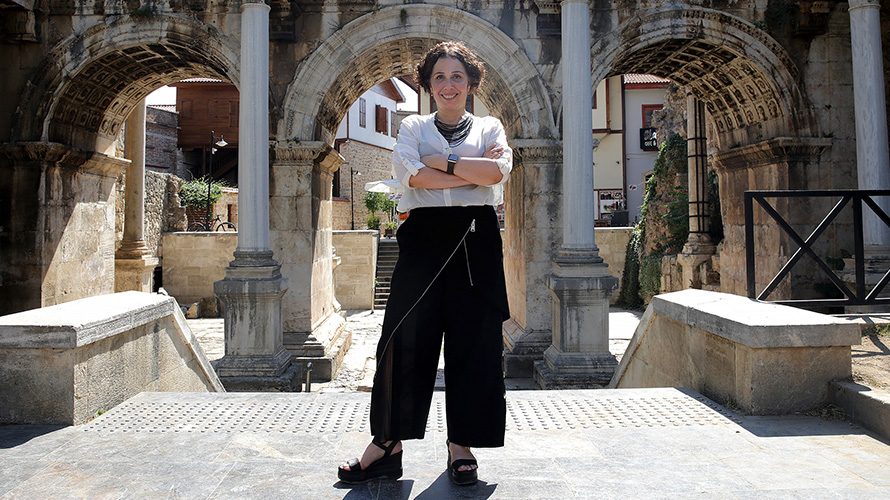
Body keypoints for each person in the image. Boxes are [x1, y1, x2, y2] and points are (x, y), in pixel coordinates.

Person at [338, 41, 513, 486]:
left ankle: (462, 445)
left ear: (470, 84)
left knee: (474, 344)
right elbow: (411, 176)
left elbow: (496, 174)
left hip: (476, 241)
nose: (448, 85)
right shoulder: (413, 126)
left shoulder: (490, 127)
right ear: (428, 86)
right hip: (423, 241)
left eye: (457, 76)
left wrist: (442, 162)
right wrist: (466, 171)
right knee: (403, 339)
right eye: (439, 77)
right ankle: (386, 444)